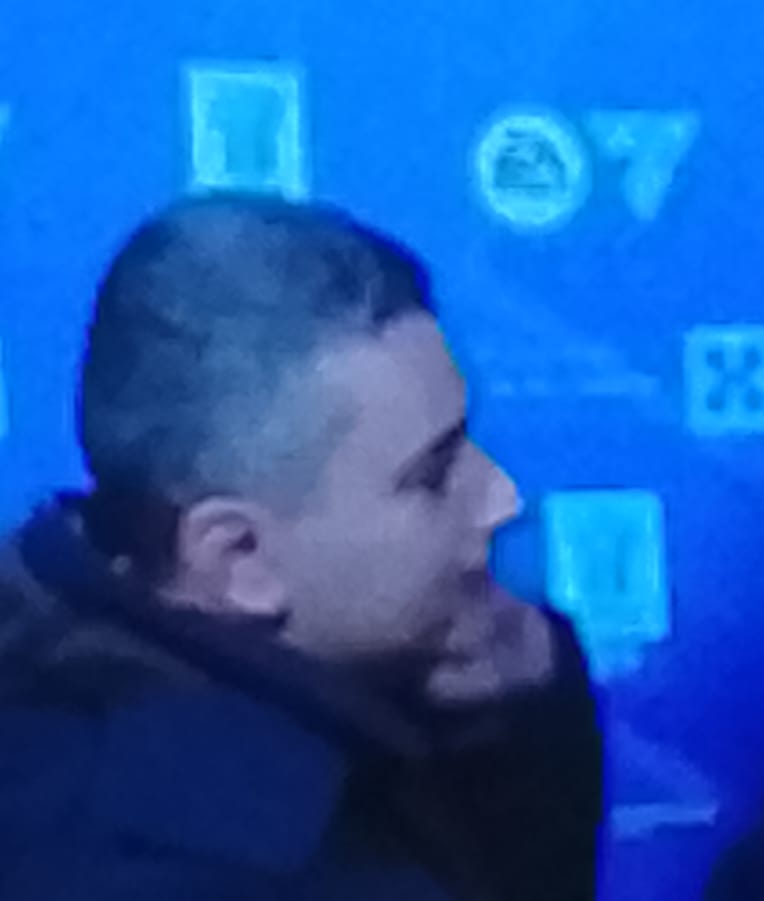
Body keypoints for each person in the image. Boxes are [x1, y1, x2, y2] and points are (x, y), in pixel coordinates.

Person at [0, 195, 603, 900]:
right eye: (432, 475)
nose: (503, 496)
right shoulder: (174, 872)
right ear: (239, 557)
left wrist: (510, 735)